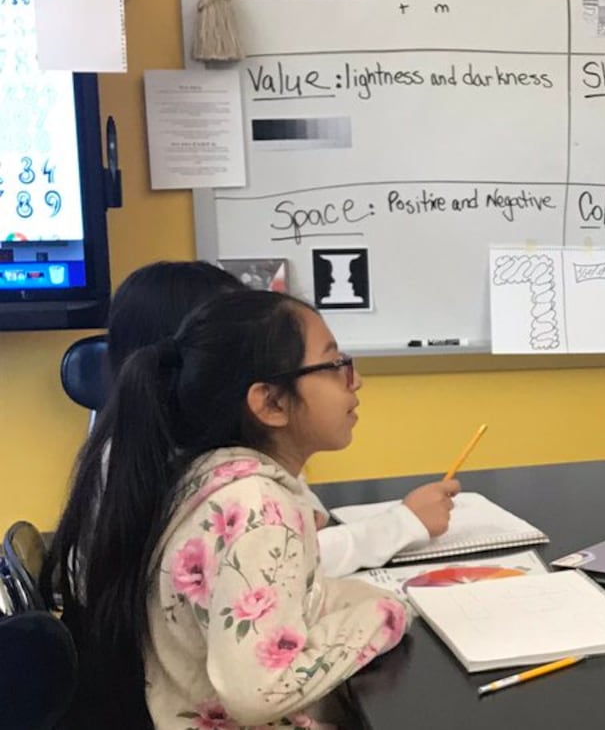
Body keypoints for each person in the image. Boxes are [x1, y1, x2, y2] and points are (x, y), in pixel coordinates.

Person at [42, 291, 409, 730]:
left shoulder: (212, 476)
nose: (355, 381)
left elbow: (297, 599)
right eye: (334, 366)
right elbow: (259, 694)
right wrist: (386, 617)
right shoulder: (261, 511)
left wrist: (380, 599)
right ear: (271, 403)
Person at [104, 261, 458, 577]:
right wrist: (401, 528)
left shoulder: (228, 456)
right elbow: (286, 563)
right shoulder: (225, 487)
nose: (355, 381)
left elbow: (307, 527)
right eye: (335, 365)